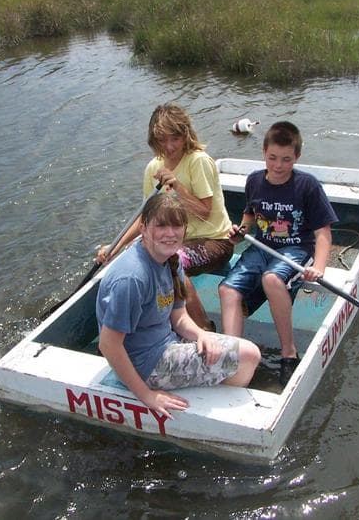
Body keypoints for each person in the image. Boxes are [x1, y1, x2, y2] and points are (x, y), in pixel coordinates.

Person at [96, 193, 261, 419]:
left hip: (166, 342)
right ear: (143, 228)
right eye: (161, 225)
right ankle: (215, 415)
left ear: (185, 229)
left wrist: (201, 334)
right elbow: (108, 344)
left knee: (239, 351)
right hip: (144, 364)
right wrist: (146, 395)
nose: (170, 233)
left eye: (176, 226)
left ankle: (209, 393)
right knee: (249, 356)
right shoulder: (132, 278)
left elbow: (179, 316)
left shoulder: (170, 259)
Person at [218, 121, 338, 386]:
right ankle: (232, 358)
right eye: (272, 158)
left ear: (297, 156)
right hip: (262, 247)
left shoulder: (307, 185)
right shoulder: (254, 180)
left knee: (272, 279)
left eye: (286, 159)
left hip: (297, 249)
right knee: (227, 289)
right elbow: (250, 215)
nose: (278, 165)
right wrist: (241, 231)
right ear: (263, 152)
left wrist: (318, 267)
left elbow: (323, 233)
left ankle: (288, 353)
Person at [97, 103, 234, 332]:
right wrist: (115, 247)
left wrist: (177, 186)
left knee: (172, 261)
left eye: (175, 139)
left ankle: (204, 329)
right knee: (137, 257)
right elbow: (146, 216)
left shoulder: (197, 161)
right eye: (162, 140)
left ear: (185, 135)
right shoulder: (153, 167)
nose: (169, 147)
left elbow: (204, 212)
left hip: (215, 241)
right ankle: (150, 322)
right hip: (175, 239)